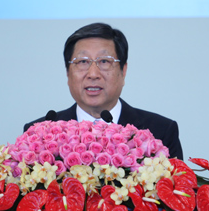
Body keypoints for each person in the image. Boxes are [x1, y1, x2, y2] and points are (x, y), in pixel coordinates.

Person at [24, 22, 183, 159]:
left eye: (105, 61)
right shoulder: (38, 134)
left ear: (123, 71)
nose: (93, 74)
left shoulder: (161, 131)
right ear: (67, 72)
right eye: (82, 62)